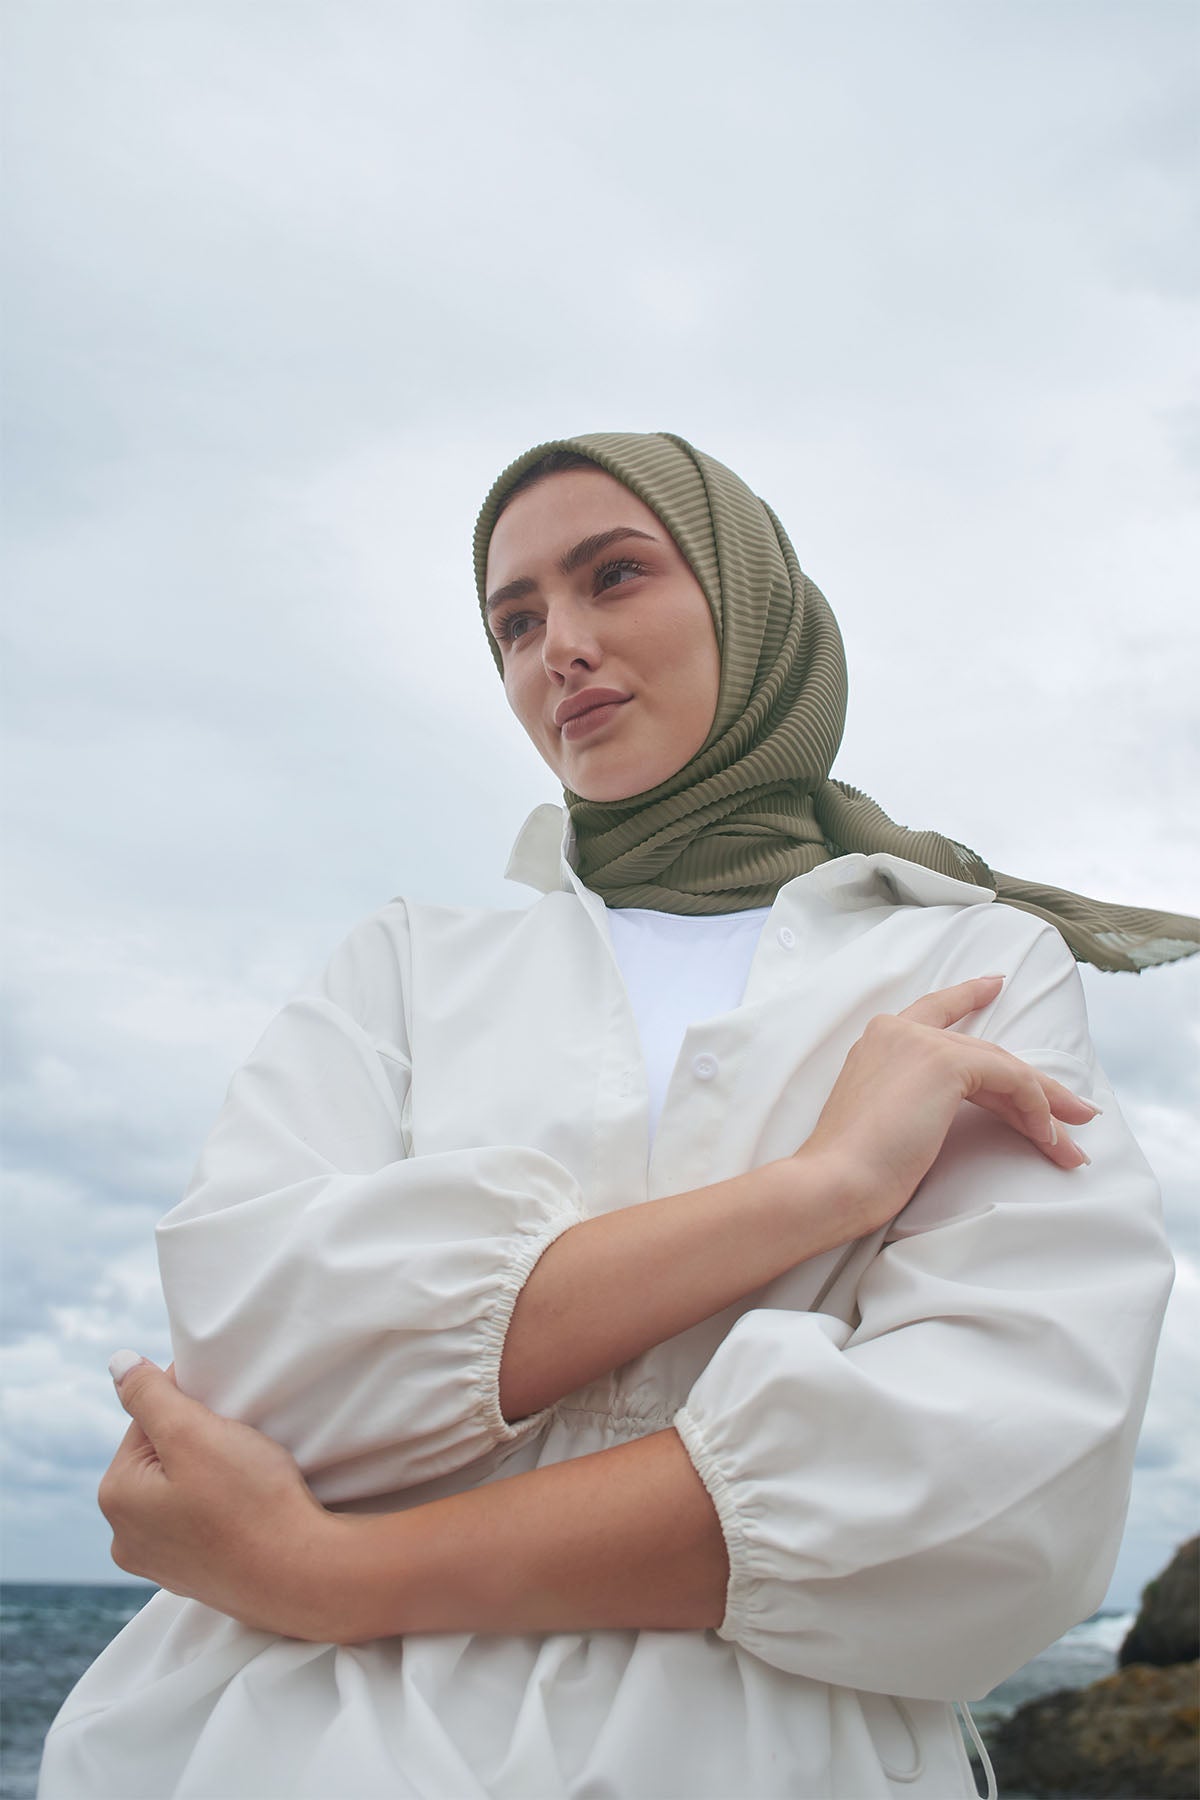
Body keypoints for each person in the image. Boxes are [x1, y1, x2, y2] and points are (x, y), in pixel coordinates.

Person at [38, 433, 1195, 1800]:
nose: (559, 649)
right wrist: (816, 1191)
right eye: (515, 621)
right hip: (287, 1748)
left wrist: (332, 1571)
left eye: (615, 577)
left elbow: (992, 1470)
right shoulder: (408, 966)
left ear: (749, 600)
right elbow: (265, 1361)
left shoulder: (965, 968)